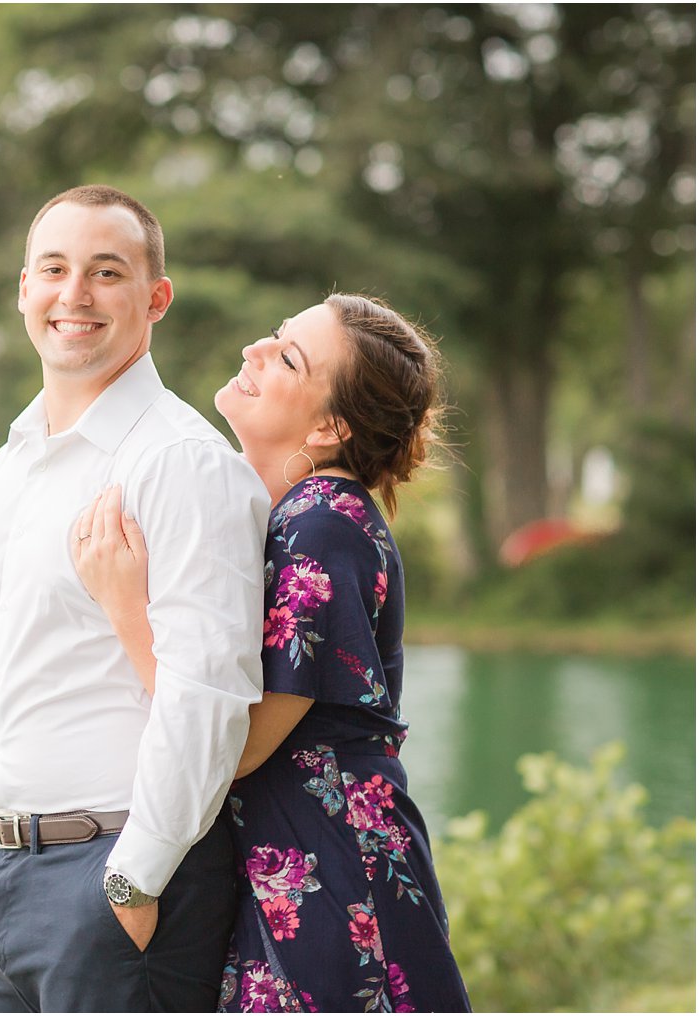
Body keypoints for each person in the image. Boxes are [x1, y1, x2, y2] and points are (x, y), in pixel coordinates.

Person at [73, 294, 472, 1012]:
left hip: (333, 869)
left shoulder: (322, 522)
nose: (257, 348)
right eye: (278, 335)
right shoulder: (289, 514)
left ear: (329, 426)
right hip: (292, 860)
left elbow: (243, 744)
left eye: (289, 357)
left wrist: (124, 606)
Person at [0, 184, 271, 1012]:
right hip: (0, 875)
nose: (74, 295)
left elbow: (210, 693)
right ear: (24, 290)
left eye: (106, 272)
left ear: (155, 297)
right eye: (53, 269)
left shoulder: (181, 463)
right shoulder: (8, 465)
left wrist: (132, 880)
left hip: (116, 877)